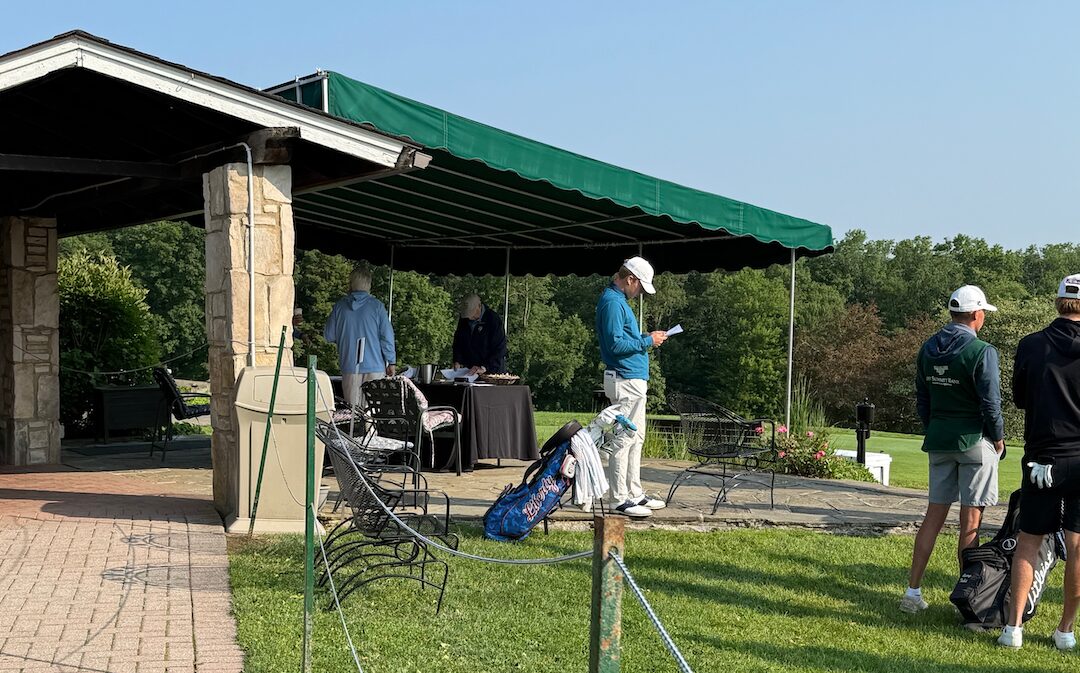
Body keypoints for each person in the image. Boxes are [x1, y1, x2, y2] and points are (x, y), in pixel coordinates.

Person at [901, 285, 1006, 614]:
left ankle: (912, 592)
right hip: (974, 440)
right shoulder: (981, 350)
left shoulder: (927, 347)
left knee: (933, 517)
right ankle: (968, 601)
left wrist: (933, 425)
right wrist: (999, 438)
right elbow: (991, 402)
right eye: (983, 312)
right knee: (970, 522)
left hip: (940, 438)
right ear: (976, 315)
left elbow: (922, 397)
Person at [997, 274, 1080, 650]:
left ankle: (1013, 628)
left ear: (1057, 302)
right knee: (1078, 545)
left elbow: (1018, 397)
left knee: (1029, 541)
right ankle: (1065, 631)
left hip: (1043, 457)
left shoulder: (1032, 344)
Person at [595, 256, 669, 518]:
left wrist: (645, 338)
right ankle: (618, 499)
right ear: (630, 279)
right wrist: (647, 341)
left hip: (632, 379)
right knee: (623, 438)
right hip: (625, 380)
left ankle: (633, 493)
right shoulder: (613, 303)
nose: (640, 294)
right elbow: (615, 345)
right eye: (640, 287)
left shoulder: (618, 302)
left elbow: (624, 340)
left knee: (636, 438)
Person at [323, 265, 396, 408]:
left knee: (353, 413)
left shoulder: (339, 307)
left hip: (349, 365)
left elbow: (329, 335)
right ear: (368, 284)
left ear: (351, 283)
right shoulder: (377, 307)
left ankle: (356, 431)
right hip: (375, 367)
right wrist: (391, 361)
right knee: (372, 411)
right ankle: (371, 431)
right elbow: (387, 336)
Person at [452, 294, 508, 375]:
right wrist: (457, 360)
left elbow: (500, 349)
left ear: (479, 306)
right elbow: (458, 342)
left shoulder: (493, 320)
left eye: (472, 312)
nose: (469, 317)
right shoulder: (464, 320)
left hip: (492, 372)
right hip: (470, 371)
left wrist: (484, 367)